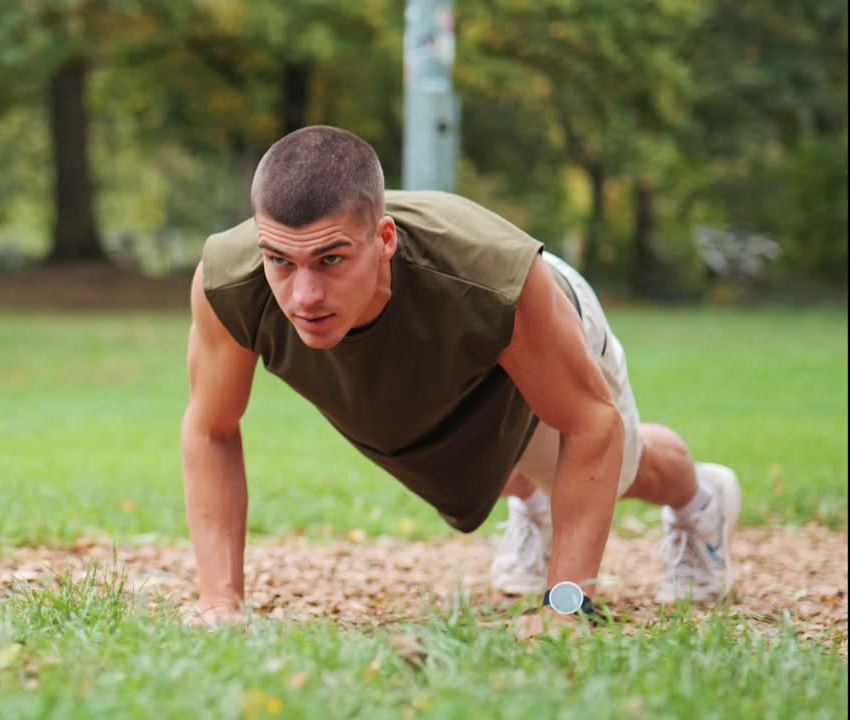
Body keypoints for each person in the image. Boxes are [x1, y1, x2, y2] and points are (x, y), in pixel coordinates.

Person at [179, 125, 741, 632]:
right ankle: (536, 506)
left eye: (331, 260)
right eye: (280, 261)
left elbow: (592, 423)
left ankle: (701, 500)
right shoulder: (231, 285)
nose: (303, 296)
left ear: (385, 241)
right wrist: (220, 602)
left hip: (536, 322)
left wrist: (566, 607)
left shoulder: (492, 282)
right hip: (443, 383)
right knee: (468, 460)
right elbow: (210, 429)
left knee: (610, 472)